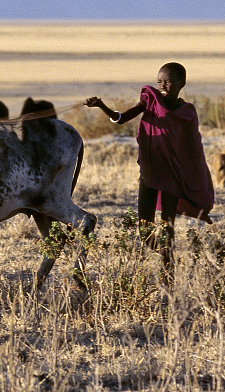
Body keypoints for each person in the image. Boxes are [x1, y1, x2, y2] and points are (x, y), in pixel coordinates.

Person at [86, 62, 214, 262]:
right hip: (149, 173)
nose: (162, 86)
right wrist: (102, 106)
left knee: (167, 227)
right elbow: (121, 118)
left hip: (172, 175)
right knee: (145, 232)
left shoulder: (187, 113)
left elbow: (194, 148)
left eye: (168, 82)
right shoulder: (149, 101)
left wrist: (198, 176)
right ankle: (167, 256)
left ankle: (168, 270)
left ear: (182, 83)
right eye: (159, 82)